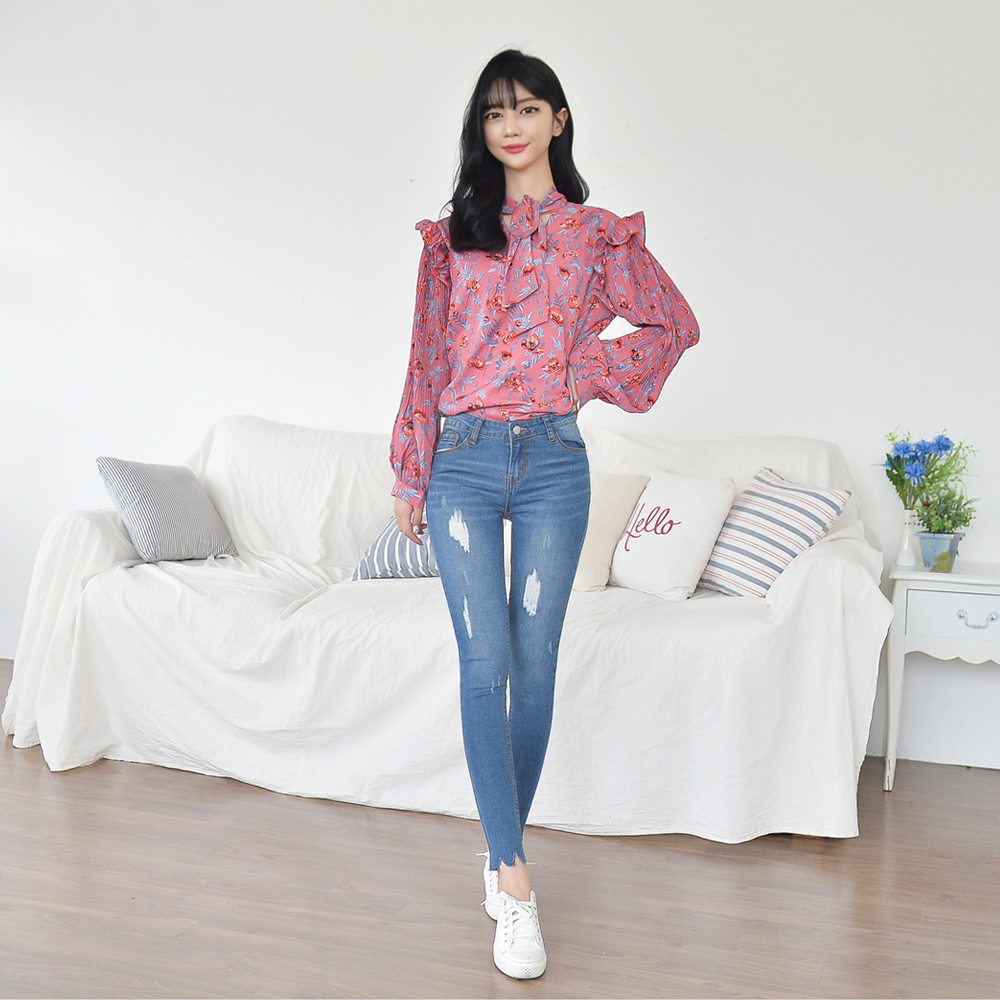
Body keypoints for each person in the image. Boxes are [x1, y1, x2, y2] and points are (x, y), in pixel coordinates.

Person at [389, 49, 699, 980]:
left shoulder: (598, 237)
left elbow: (673, 325)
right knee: (484, 663)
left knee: (535, 667)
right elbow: (424, 359)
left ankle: (497, 850)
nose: (511, 126)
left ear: (558, 119)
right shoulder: (452, 240)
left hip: (556, 465)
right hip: (463, 462)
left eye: (526, 108)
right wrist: (411, 469)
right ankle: (516, 883)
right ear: (481, 130)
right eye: (494, 113)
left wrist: (583, 370)